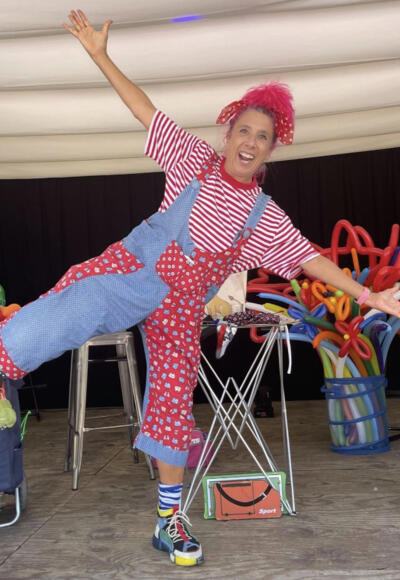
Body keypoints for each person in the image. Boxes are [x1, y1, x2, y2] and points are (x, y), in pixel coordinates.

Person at [1, 9, 399, 568]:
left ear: (270, 150)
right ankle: (4, 359)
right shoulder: (191, 159)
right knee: (82, 299)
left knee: (172, 400)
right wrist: (99, 56)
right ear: (228, 134)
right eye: (244, 131)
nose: (251, 142)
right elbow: (144, 110)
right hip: (135, 272)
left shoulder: (265, 217)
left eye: (263, 137)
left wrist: (368, 296)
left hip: (182, 307)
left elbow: (310, 258)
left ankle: (169, 520)